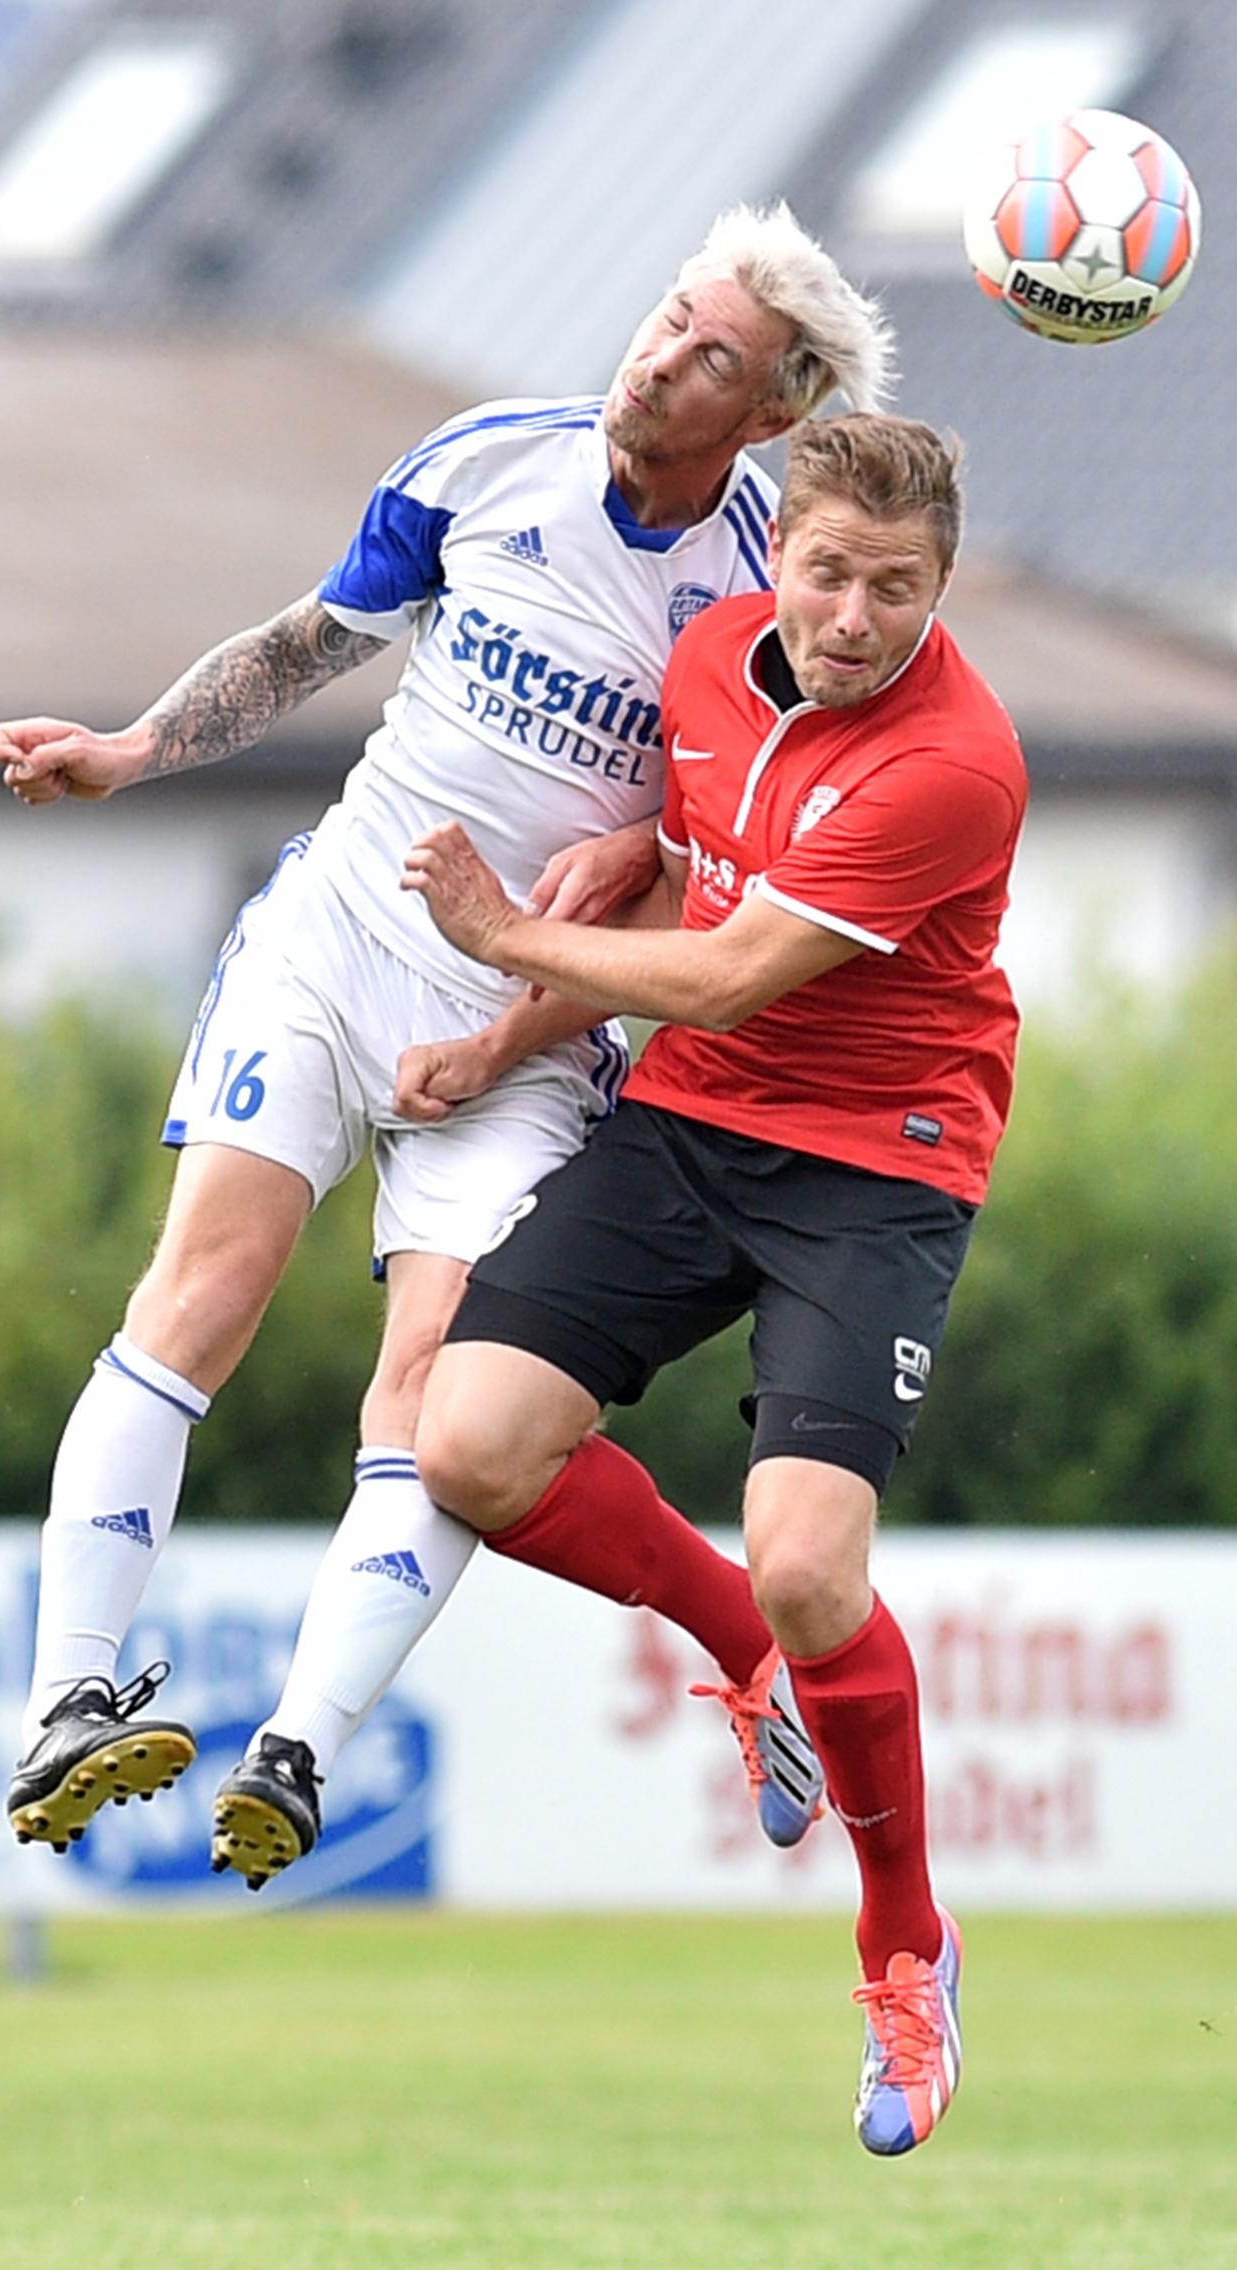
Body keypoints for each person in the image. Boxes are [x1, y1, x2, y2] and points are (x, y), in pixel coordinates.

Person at [0, 205, 891, 1884]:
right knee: (202, 1293)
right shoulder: (487, 462)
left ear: (772, 410)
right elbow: (304, 644)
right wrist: (131, 748)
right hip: (336, 939)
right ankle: (64, 1705)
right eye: (665, 316)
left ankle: (295, 1756)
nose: (657, 358)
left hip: (531, 1028)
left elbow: (705, 889)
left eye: (710, 355)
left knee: (434, 1395)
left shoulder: (770, 598)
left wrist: (512, 1026)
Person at [399, 412, 1027, 2155]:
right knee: (468, 1446)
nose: (852, 617)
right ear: (782, 557)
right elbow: (684, 882)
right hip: (689, 1123)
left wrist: (499, 940)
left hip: (877, 1161)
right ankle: (739, 1643)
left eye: (894, 588)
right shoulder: (705, 662)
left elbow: (734, 967)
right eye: (826, 573)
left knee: (814, 1562)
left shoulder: (956, 763)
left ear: (940, 587)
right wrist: (501, 1041)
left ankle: (905, 1949)